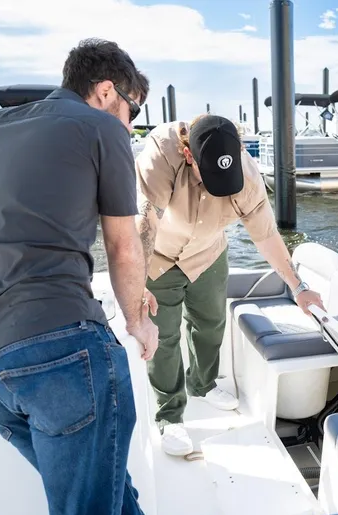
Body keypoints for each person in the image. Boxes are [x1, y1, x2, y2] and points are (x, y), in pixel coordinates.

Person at [0, 38, 156, 515]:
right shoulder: (102, 129)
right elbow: (123, 245)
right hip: (62, 360)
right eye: (133, 110)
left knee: (110, 498)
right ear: (107, 91)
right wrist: (139, 320)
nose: (131, 124)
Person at [134, 115, 325, 456]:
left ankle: (202, 384)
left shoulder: (247, 175)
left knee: (210, 323)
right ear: (188, 155)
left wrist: (298, 287)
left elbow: (265, 234)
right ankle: (169, 415)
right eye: (209, 180)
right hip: (159, 256)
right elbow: (145, 221)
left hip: (207, 254)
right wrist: (137, 282)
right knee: (164, 336)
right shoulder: (161, 154)